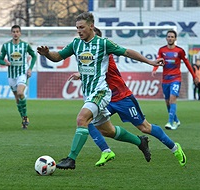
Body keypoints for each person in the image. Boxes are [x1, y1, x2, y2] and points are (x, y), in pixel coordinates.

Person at [37, 12, 164, 170]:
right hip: (89, 94)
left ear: (91, 26)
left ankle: (71, 159)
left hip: (101, 92)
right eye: (77, 28)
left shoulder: (103, 43)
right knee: (109, 131)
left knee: (81, 120)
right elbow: (58, 57)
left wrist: (151, 62)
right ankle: (140, 142)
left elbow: (127, 52)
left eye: (82, 27)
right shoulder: (76, 44)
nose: (79, 31)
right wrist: (47, 53)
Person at [69, 27, 187, 167]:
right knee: (88, 121)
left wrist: (150, 62)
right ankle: (106, 151)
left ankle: (175, 148)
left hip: (121, 97)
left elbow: (121, 57)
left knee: (145, 127)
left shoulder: (105, 54)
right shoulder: (92, 56)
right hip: (104, 98)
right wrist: (81, 74)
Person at [152, 30, 199, 130]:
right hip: (165, 80)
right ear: (166, 38)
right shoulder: (162, 50)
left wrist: (194, 76)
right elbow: (158, 61)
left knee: (173, 98)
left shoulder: (179, 51)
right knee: (168, 102)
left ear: (175, 38)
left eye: (172, 37)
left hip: (176, 78)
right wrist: (154, 69)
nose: (170, 38)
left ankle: (170, 122)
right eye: (168, 36)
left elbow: (187, 63)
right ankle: (176, 120)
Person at [0, 25, 37, 129]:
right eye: (14, 32)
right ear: (11, 33)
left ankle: (25, 117)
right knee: (17, 99)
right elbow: (0, 60)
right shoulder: (6, 46)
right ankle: (24, 117)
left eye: (17, 31)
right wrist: (5, 63)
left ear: (20, 33)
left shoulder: (25, 45)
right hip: (11, 75)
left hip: (22, 73)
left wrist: (30, 68)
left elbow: (34, 56)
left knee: (20, 93)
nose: (15, 33)